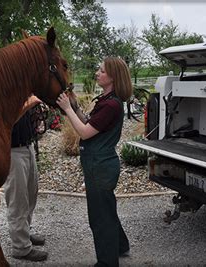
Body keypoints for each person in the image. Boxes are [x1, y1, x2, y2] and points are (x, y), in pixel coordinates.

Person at [57, 57, 133, 266]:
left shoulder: (111, 105)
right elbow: (89, 122)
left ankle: (107, 262)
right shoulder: (107, 100)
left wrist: (67, 109)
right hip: (100, 164)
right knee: (106, 208)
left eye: (101, 71)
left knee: (99, 217)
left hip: (99, 166)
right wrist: (75, 107)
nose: (97, 73)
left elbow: (84, 132)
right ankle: (120, 246)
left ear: (113, 77)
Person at [4, 96, 47, 262]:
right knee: (18, 199)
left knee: (30, 194)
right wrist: (30, 103)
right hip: (13, 151)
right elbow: (8, 119)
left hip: (27, 147)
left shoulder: (22, 91)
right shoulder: (4, 92)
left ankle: (24, 233)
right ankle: (20, 247)